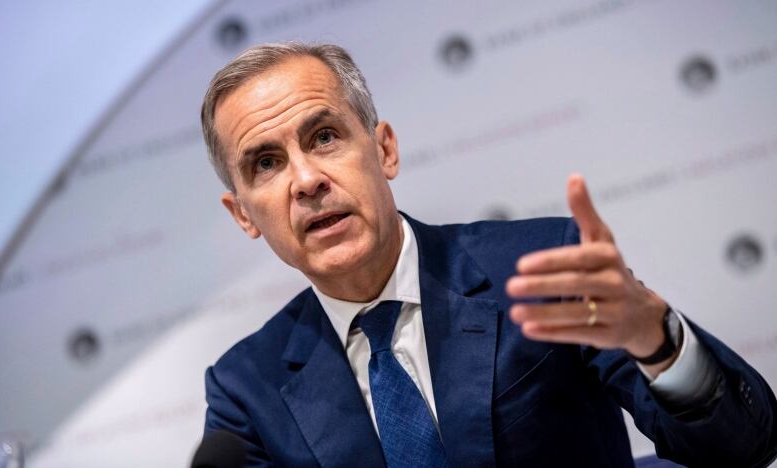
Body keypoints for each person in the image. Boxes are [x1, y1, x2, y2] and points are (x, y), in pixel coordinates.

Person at [199, 42, 777, 467]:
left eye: (324, 136)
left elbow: (744, 446)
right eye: (266, 163)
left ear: (384, 149)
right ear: (243, 213)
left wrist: (659, 341)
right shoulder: (246, 390)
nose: (305, 179)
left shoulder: (541, 266)